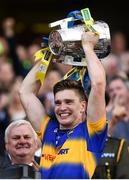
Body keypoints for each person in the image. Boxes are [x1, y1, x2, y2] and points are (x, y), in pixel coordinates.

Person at [19, 31, 108, 179]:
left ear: (83, 106)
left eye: (69, 102)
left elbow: (98, 84)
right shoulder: (48, 128)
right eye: (58, 102)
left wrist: (87, 46)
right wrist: (50, 54)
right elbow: (25, 93)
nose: (62, 107)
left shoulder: (91, 131)